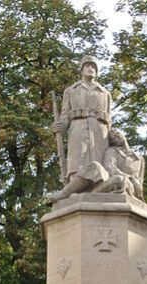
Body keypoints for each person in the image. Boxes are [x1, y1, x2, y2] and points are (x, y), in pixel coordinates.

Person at [46, 55, 111, 203]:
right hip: (78, 129)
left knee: (100, 166)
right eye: (87, 66)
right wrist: (60, 126)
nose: (90, 69)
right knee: (77, 164)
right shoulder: (71, 90)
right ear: (81, 70)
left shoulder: (105, 93)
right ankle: (73, 194)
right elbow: (65, 116)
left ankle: (98, 191)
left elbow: (110, 120)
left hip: (100, 133)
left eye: (93, 67)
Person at [46, 129, 145, 203]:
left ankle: (82, 196)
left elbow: (140, 182)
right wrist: (129, 177)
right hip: (118, 178)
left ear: (123, 136)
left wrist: (134, 183)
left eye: (116, 134)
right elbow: (110, 168)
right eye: (112, 138)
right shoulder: (112, 151)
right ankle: (64, 194)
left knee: (118, 180)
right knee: (95, 166)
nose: (115, 137)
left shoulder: (139, 159)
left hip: (130, 187)